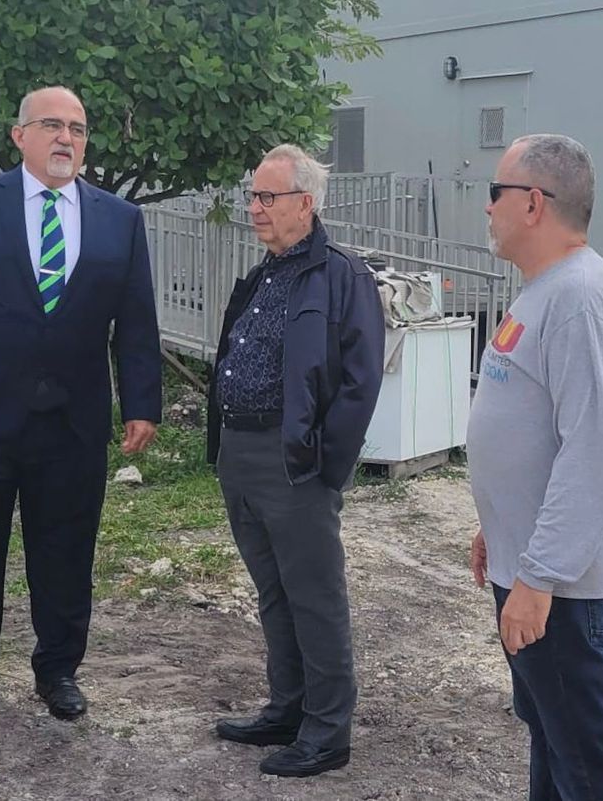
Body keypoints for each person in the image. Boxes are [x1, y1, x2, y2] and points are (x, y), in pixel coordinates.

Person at [0, 86, 162, 739]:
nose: (66, 138)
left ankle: (57, 671)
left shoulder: (119, 219)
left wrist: (141, 403)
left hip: (73, 424)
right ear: (18, 135)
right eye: (51, 125)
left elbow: (135, 323)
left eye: (77, 128)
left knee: (66, 552)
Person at [206, 144, 384, 778]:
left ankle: (328, 731)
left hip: (295, 463)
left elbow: (360, 384)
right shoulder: (265, 273)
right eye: (252, 196)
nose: (254, 208)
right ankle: (288, 709)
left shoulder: (342, 276)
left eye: (266, 197)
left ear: (305, 204)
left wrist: (324, 469)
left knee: (315, 598)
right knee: (274, 594)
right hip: (241, 453)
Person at [467, 134, 603, 800]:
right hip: (532, 569)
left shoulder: (580, 297)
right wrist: (496, 525)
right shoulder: (545, 290)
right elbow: (531, 430)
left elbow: (590, 448)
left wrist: (538, 575)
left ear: (532, 202)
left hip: (560, 589)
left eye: (493, 193)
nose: (486, 210)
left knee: (583, 762)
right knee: (550, 736)